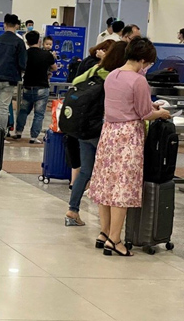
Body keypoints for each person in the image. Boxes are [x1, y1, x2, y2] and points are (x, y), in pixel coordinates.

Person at [88, 38, 170, 256]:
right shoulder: (138, 80)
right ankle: (115, 239)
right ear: (143, 59)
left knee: (106, 185)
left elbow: (124, 102)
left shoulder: (112, 74)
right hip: (128, 137)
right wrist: (160, 112)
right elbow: (145, 113)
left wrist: (146, 106)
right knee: (122, 189)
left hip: (109, 133)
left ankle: (103, 233)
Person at [65, 41, 128, 226]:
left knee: (85, 171)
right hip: (102, 129)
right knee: (107, 174)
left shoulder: (94, 70)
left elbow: (76, 83)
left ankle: (72, 210)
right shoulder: (116, 76)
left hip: (83, 127)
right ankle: (107, 223)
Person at [0, 13, 27, 137]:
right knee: (3, 109)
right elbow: (23, 63)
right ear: (17, 26)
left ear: (4, 25)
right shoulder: (19, 42)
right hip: (9, 79)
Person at [14, 30, 56, 143]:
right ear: (40, 41)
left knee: (23, 111)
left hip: (27, 86)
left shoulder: (25, 54)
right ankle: (33, 137)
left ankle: (18, 132)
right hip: (42, 87)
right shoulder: (47, 54)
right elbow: (54, 68)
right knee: (39, 114)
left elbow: (21, 67)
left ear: (27, 42)